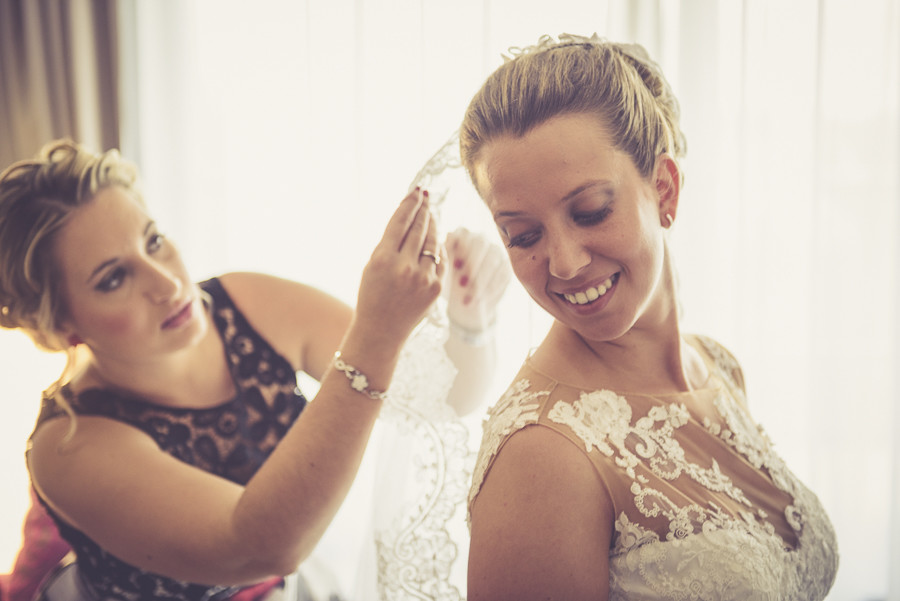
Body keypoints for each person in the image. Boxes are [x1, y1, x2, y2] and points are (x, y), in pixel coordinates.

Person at [0, 138, 502, 601]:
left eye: (153, 241)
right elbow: (260, 547)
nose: (167, 283)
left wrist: (469, 322)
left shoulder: (247, 302)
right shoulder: (67, 446)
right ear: (63, 325)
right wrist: (375, 338)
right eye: (114, 278)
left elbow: (440, 397)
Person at [459, 33, 839, 600]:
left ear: (664, 189)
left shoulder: (719, 367)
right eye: (523, 235)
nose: (564, 264)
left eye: (590, 211)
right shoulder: (542, 455)